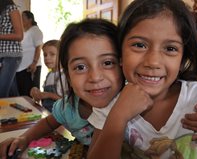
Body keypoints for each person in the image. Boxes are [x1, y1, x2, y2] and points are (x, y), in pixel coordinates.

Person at [87, 0, 197, 158]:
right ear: (119, 55)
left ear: (183, 59)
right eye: (139, 45)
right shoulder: (110, 100)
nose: (153, 62)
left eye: (170, 48)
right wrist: (118, 116)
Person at [0, 18, 124, 159]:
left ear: (123, 65)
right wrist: (24, 138)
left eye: (108, 63)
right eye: (80, 67)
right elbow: (47, 122)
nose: (95, 77)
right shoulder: (69, 107)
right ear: (68, 76)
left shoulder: (133, 109)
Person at [30, 40, 68, 112]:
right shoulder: (49, 75)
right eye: (45, 55)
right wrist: (37, 93)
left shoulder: (64, 76)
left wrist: (49, 95)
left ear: (62, 56)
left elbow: (68, 102)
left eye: (52, 54)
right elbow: (43, 98)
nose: (47, 58)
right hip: (47, 112)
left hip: (61, 116)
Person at [14, 10, 43, 97]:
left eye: (22, 18)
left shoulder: (35, 30)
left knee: (30, 94)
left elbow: (39, 46)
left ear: (30, 19)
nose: (21, 20)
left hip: (30, 67)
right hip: (22, 68)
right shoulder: (25, 32)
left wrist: (34, 63)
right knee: (22, 93)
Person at [0, 0, 23, 97]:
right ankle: (22, 111)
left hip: (12, 55)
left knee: (1, 92)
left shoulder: (12, 9)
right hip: (3, 55)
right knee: (12, 93)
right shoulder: (1, 11)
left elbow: (19, 36)